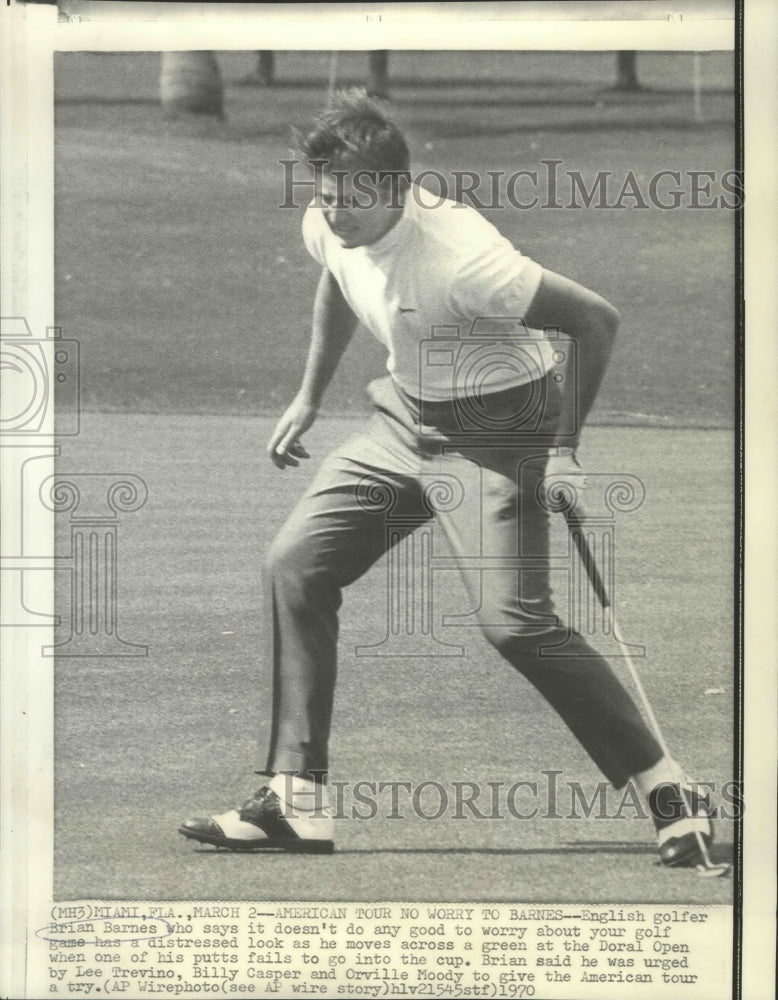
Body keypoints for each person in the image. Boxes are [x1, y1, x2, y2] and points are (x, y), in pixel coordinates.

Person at [180, 91, 712, 866]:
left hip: (502, 434)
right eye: (325, 196)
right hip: (403, 420)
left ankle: (668, 786)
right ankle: (295, 802)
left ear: (397, 190)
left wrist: (564, 451)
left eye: (353, 200)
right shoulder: (329, 223)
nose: (334, 213)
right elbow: (337, 272)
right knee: (296, 565)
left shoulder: (469, 259)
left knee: (516, 624)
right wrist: (308, 395)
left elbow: (596, 319)